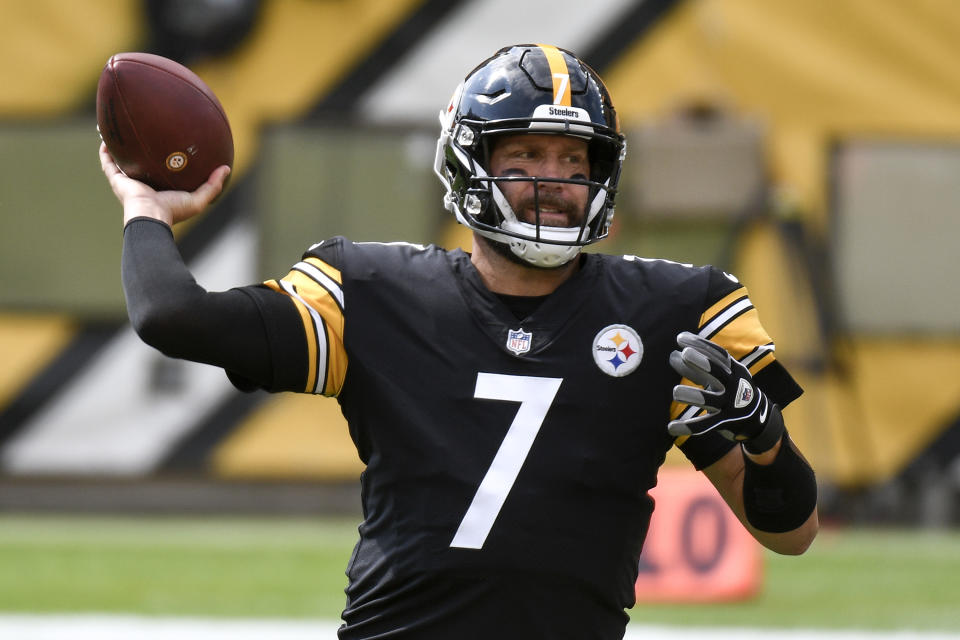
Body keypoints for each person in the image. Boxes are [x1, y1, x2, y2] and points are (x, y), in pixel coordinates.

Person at [101, 44, 818, 639]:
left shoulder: (679, 310)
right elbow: (172, 316)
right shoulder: (370, 291)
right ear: (470, 163)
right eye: (529, 155)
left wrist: (766, 440)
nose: (557, 182)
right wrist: (145, 208)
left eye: (575, 161)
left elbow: (791, 532)